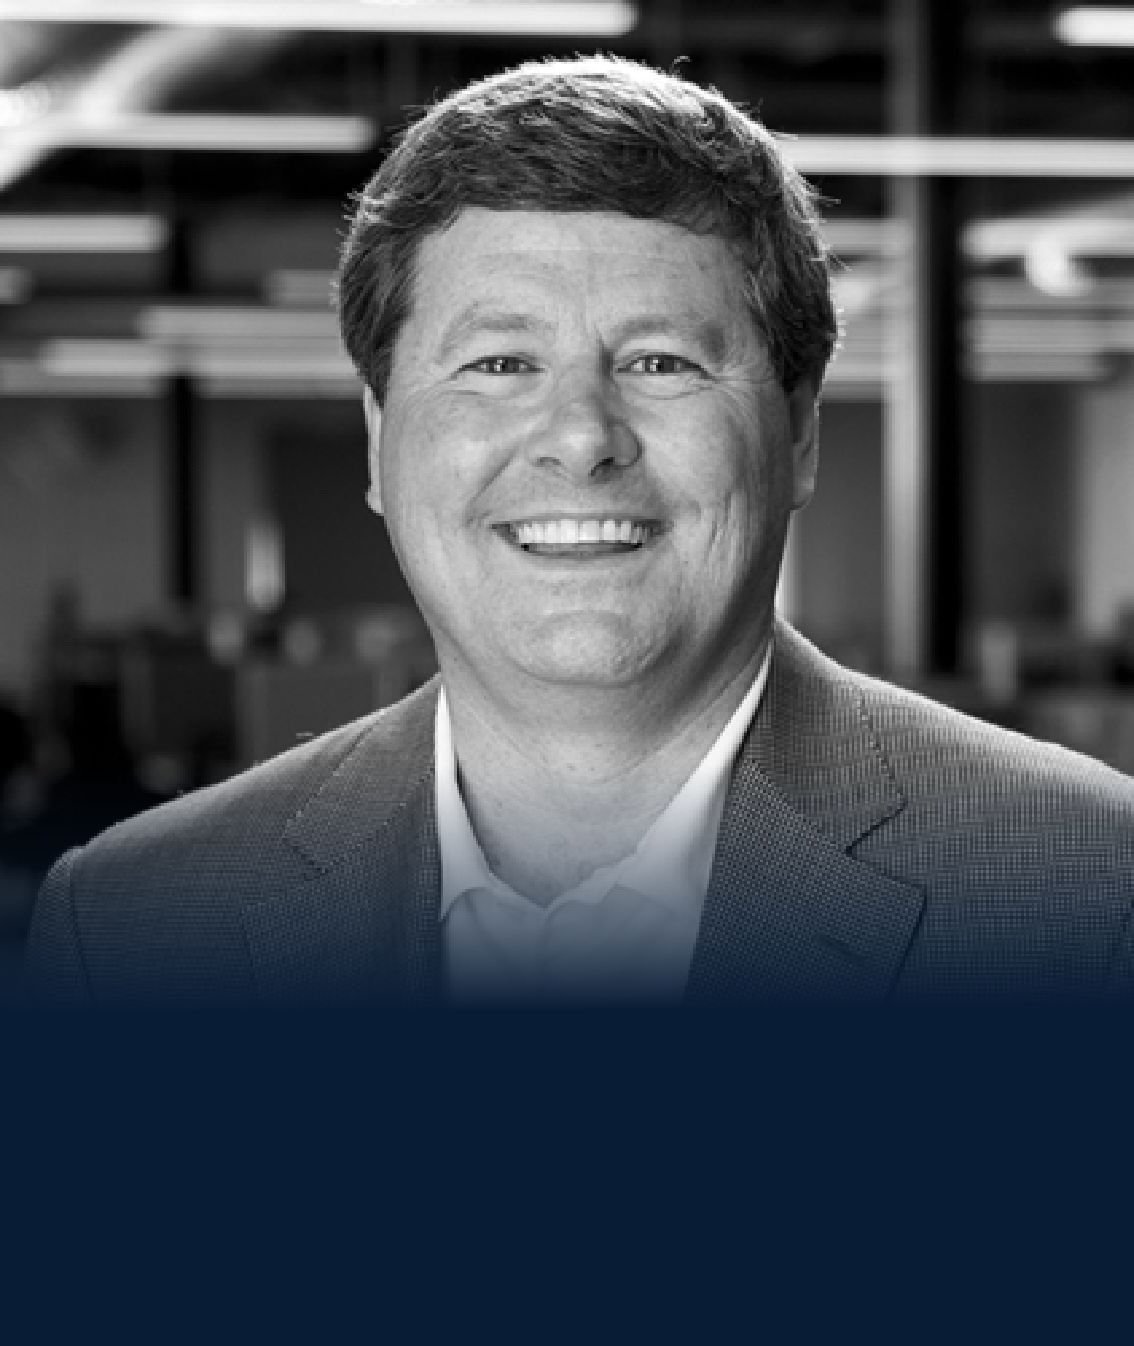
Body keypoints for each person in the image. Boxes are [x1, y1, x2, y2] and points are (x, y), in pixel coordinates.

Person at [24, 55, 1134, 1006]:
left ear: (798, 434)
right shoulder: (135, 927)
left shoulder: (1090, 897)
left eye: (661, 361)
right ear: (377, 442)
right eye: (498, 364)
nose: (580, 437)